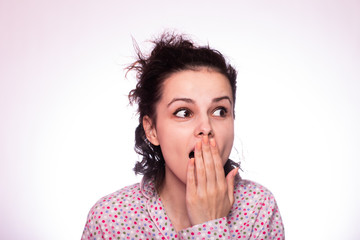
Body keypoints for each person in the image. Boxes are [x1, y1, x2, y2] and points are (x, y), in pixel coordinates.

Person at [81, 32, 285, 240]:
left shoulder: (258, 207)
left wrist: (208, 224)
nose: (206, 127)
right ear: (152, 130)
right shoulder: (110, 219)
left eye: (220, 111)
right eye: (183, 112)